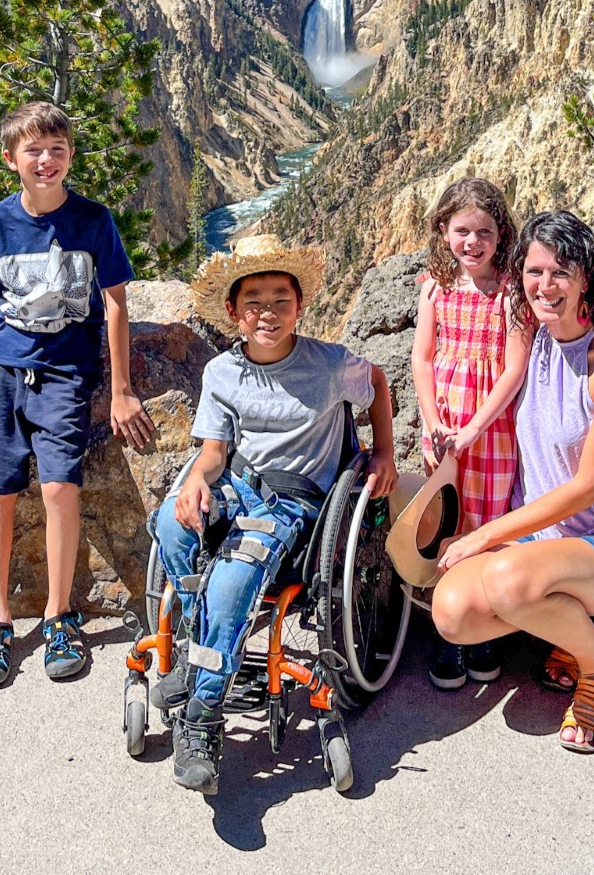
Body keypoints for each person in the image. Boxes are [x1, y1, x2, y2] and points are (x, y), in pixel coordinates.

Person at [151, 234, 398, 796]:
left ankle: (203, 716)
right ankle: (201, 654)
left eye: (280, 298)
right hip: (238, 485)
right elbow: (213, 454)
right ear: (235, 312)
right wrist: (194, 486)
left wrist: (382, 451)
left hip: (294, 503)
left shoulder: (330, 364)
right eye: (255, 301)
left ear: (300, 306)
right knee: (171, 521)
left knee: (237, 571)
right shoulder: (221, 373)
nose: (268, 311)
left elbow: (378, 384)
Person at [431, 211, 594, 753]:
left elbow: (588, 488)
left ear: (587, 277)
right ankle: (566, 628)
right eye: (534, 272)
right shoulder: (529, 343)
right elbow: (463, 298)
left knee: (509, 580)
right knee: (452, 613)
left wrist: (483, 536)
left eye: (561, 272)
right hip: (540, 545)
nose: (545, 286)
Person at [0, 102, 153, 688]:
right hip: (4, 373)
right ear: (11, 158)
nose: (47, 160)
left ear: (70, 155)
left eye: (57, 149)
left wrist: (120, 390)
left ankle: (59, 615)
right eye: (34, 151)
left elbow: (115, 303)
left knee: (61, 485)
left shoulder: (94, 220)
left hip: (65, 373)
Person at [411, 177, 531, 690]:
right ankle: (450, 628)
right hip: (444, 428)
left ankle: (483, 629)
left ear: (501, 235)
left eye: (484, 232)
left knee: (488, 523)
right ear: (443, 231)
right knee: (446, 522)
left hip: (492, 427)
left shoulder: (510, 292)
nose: (473, 243)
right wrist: (434, 421)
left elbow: (513, 368)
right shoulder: (436, 289)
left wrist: (475, 427)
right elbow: (421, 357)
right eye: (462, 231)